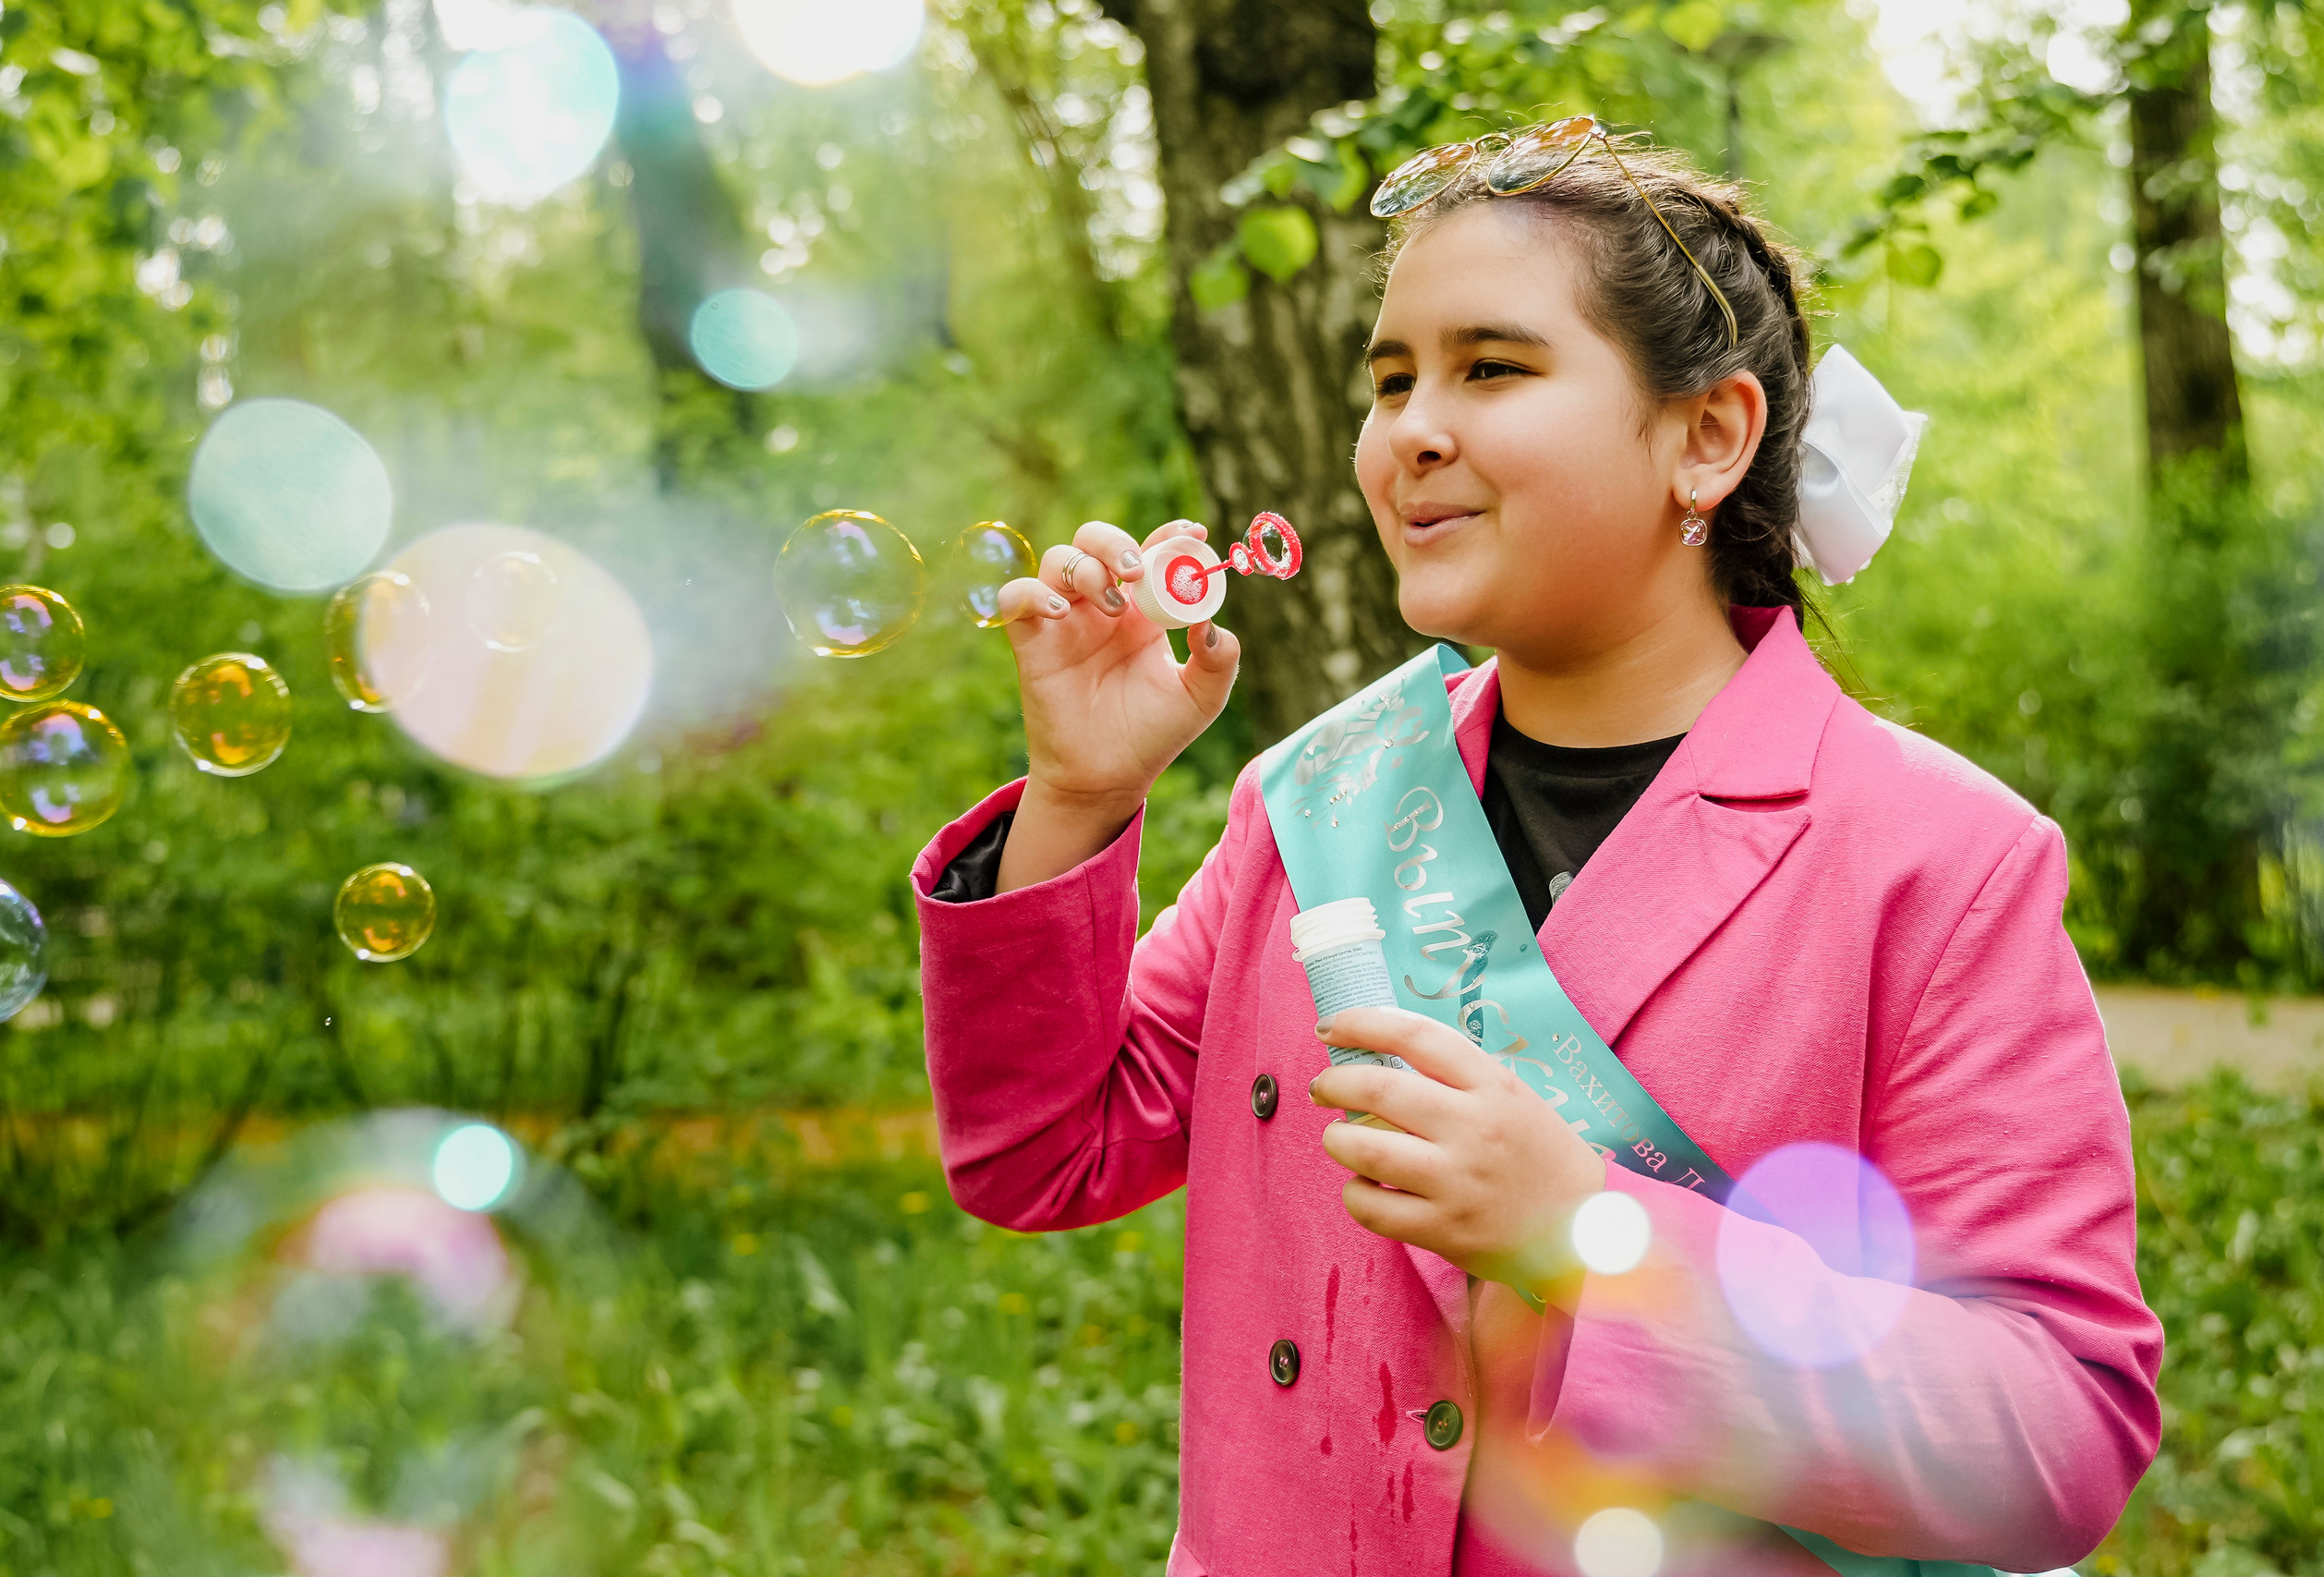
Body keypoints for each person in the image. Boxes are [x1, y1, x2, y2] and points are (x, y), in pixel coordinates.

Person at [909, 125, 2161, 1576]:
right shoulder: (1311, 798)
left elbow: (2057, 1437)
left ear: (1708, 436)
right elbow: (1040, 1159)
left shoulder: (1937, 860)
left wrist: (1589, 1236)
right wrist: (1074, 797)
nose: (1409, 433)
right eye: (1391, 380)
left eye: (1489, 367)